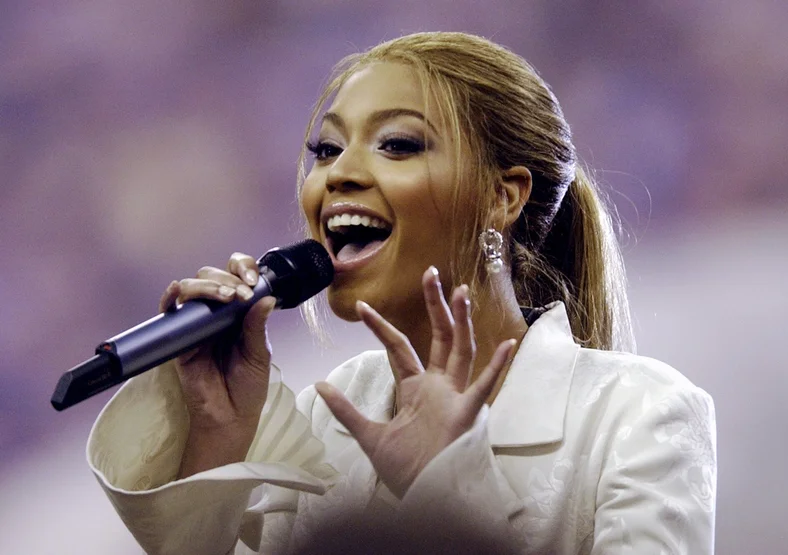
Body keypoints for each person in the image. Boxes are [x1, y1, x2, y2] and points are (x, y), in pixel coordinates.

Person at [87, 32, 717, 554]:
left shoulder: (640, 414)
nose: (339, 174)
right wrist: (217, 434)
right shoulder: (324, 420)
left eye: (397, 145)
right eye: (326, 149)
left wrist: (448, 485)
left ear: (503, 196)